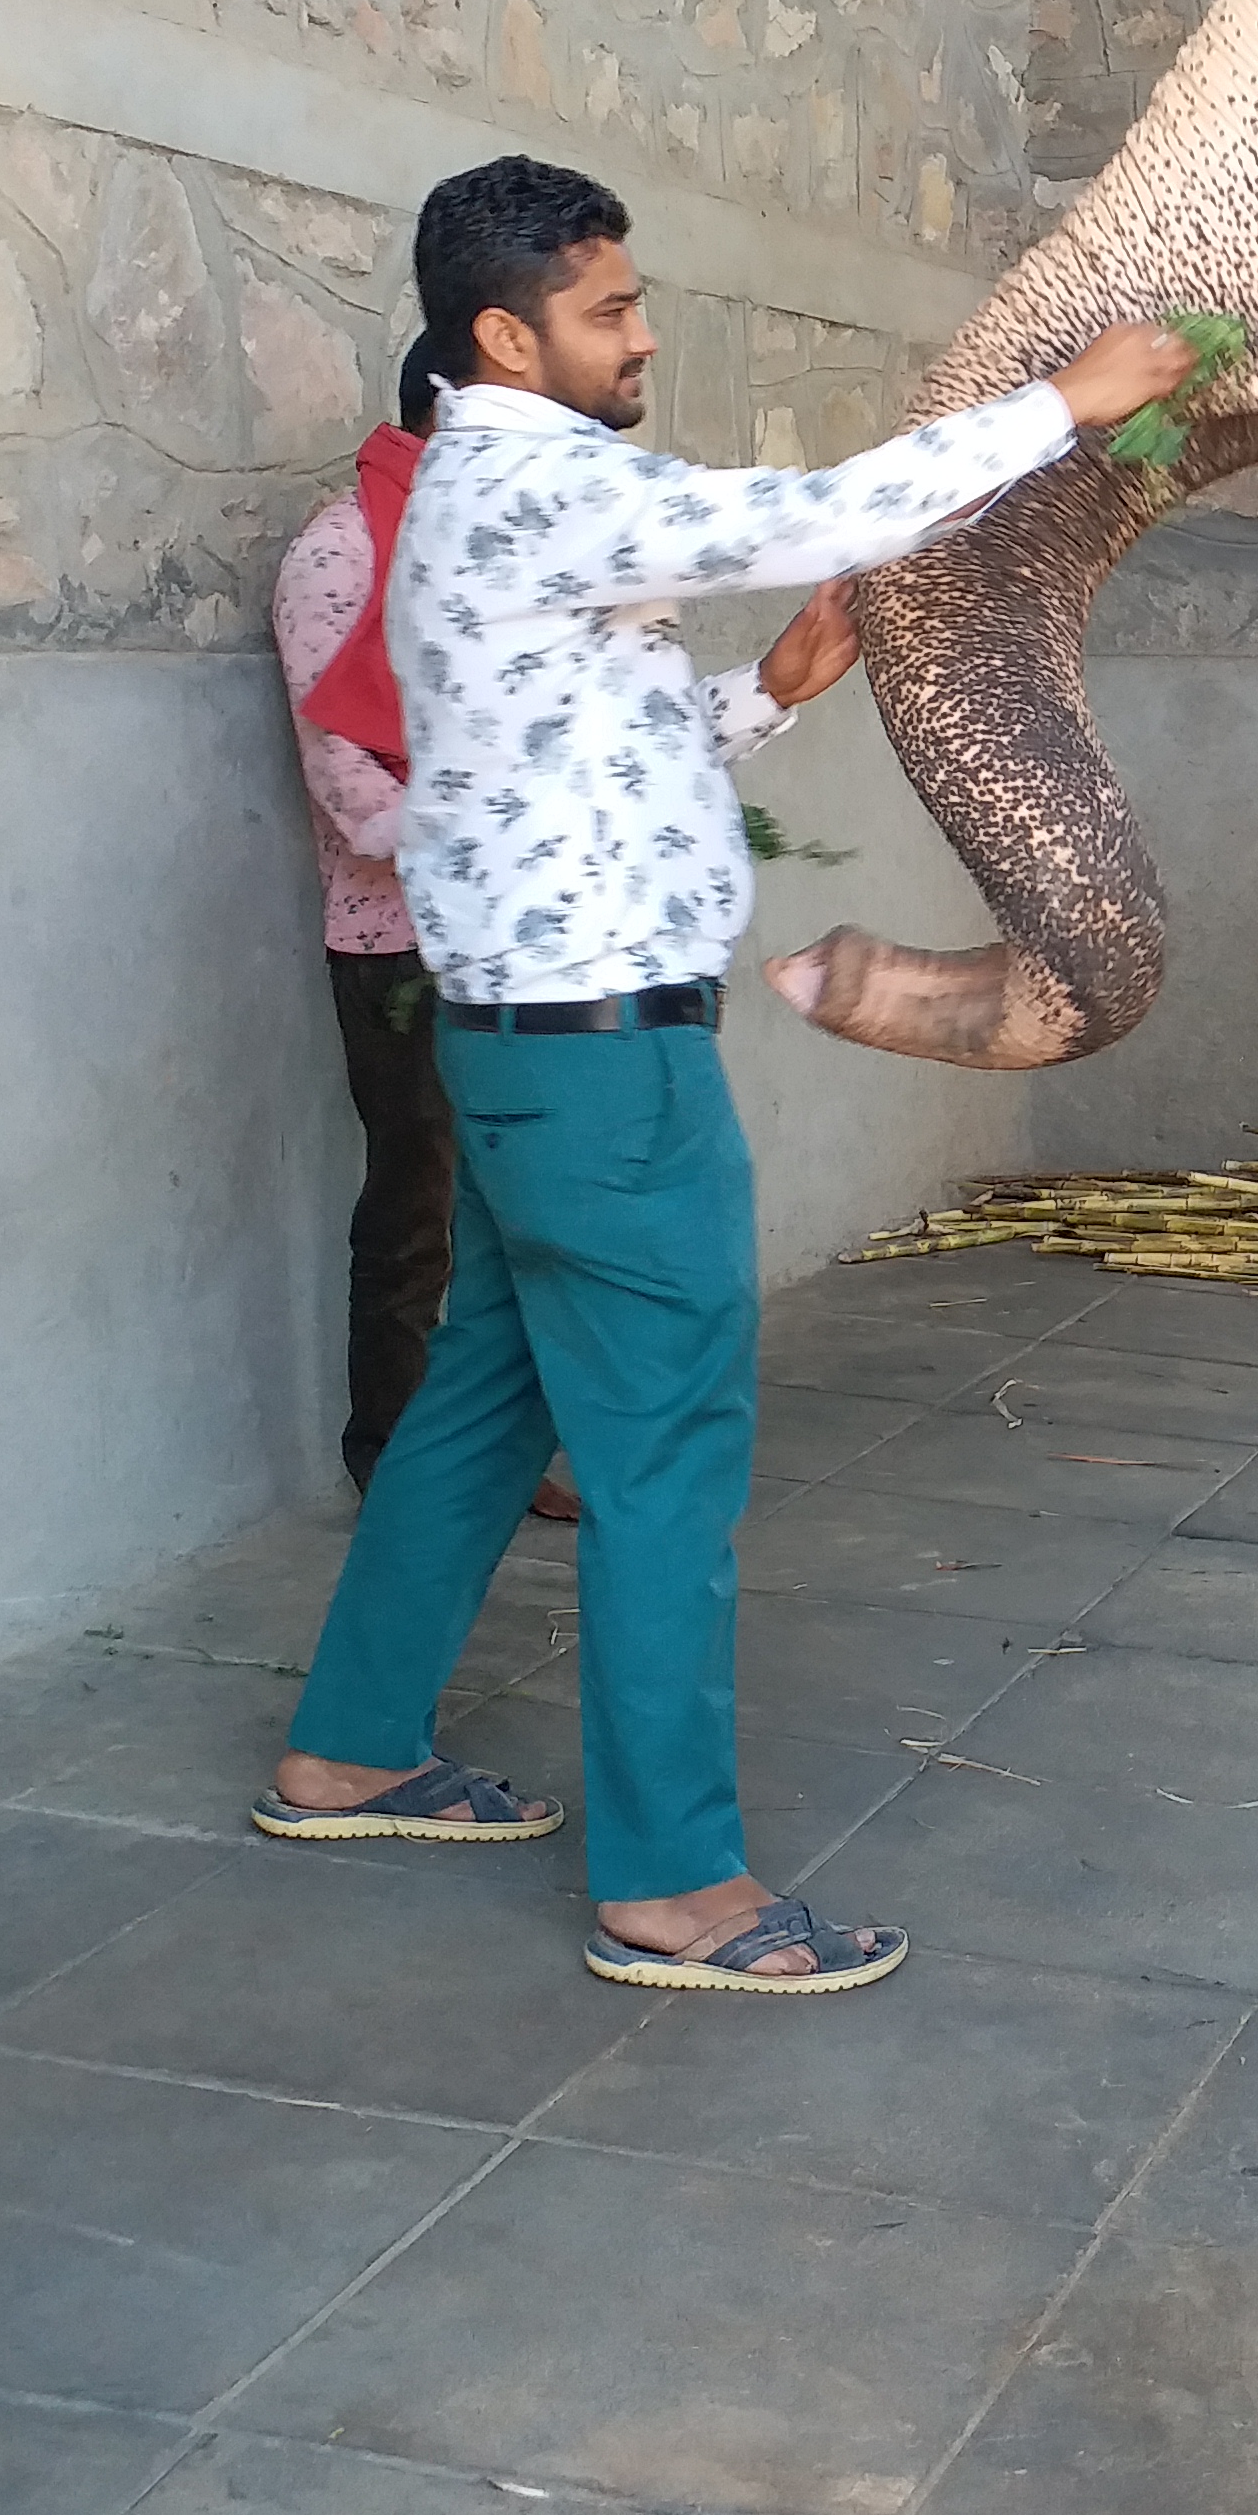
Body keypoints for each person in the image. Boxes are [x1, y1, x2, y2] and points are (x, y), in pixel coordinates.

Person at [251, 155, 1195, 1995]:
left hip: (530, 1055)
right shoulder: (537, 478)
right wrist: (1065, 407)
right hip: (604, 1076)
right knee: (667, 1453)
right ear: (505, 336)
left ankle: (347, 1746)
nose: (642, 332)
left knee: (471, 1413)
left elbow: (589, 746)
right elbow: (814, 507)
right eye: (608, 309)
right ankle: (672, 1885)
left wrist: (768, 687)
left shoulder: (473, 498)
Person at [270, 338, 573, 1521]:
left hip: (512, 932)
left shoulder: (492, 555)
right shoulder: (342, 554)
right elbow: (349, 792)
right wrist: (509, 813)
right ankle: (394, 1467)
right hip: (397, 946)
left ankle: (499, 1455)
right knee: (419, 1213)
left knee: (524, 1213)